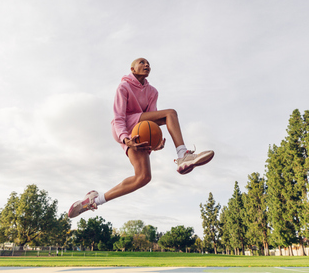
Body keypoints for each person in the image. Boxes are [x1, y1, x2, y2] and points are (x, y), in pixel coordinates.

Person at [68, 58, 214, 218]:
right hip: (124, 126)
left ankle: (94, 201)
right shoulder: (124, 87)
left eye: (148, 64)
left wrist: (155, 143)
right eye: (142, 62)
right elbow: (118, 117)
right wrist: (124, 138)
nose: (146, 65)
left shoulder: (153, 92)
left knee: (143, 177)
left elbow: (151, 120)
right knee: (170, 113)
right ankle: (182, 155)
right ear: (132, 69)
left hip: (140, 130)